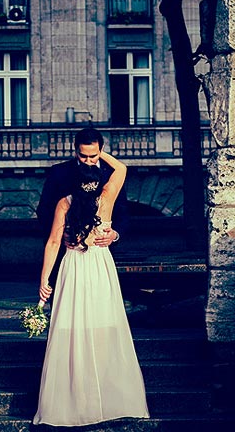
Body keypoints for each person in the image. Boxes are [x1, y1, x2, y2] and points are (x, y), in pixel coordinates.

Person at [32, 150, 150, 427]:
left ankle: (74, 401)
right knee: (103, 326)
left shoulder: (65, 203)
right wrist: (99, 154)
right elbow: (121, 167)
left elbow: (52, 244)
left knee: (72, 330)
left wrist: (44, 281)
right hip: (99, 267)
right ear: (98, 181)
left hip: (73, 268)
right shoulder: (106, 198)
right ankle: (108, 397)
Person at [36, 127, 129, 293]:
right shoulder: (59, 172)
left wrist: (114, 235)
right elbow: (44, 210)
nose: (88, 161)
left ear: (100, 150)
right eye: (83, 155)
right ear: (75, 151)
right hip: (67, 253)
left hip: (101, 254)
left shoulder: (109, 176)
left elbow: (122, 211)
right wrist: (63, 232)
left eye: (93, 156)